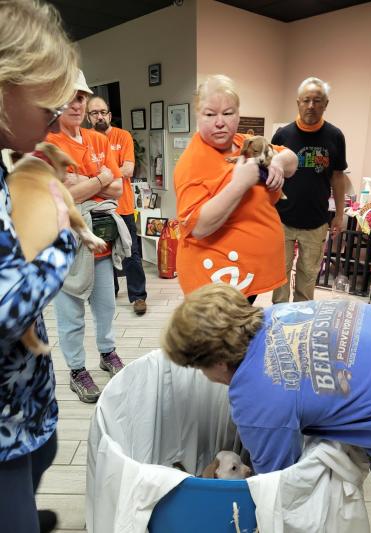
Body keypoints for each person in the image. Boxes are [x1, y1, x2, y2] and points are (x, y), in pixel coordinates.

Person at [162, 283, 371, 482]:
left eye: (199, 367)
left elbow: (277, 488)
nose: (204, 376)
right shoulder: (277, 314)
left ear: (219, 361)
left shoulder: (254, 398)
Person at [0, 1, 78, 532]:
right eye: (46, 100)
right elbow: (6, 306)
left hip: (22, 391)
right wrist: (63, 241)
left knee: (44, 451)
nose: (55, 115)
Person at [174, 74, 298, 302]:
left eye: (228, 113)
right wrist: (239, 183)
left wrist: (278, 162)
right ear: (198, 117)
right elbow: (198, 227)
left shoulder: (247, 143)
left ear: (238, 114)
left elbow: (292, 160)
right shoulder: (190, 163)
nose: (219, 122)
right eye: (210, 114)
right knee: (221, 336)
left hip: (245, 277)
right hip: (216, 281)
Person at [47, 71, 127, 403]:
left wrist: (82, 181)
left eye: (81, 96)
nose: (76, 103)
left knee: (106, 306)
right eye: (69, 97)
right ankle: (77, 370)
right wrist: (99, 180)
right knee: (70, 314)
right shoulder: (47, 143)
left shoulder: (98, 140)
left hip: (102, 241)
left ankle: (107, 353)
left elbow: (119, 186)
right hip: (65, 242)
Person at [272, 77, 347, 304]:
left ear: (326, 104)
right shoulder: (282, 135)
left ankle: (302, 322)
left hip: (316, 221)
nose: (311, 106)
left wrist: (340, 215)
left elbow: (337, 176)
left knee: (308, 279)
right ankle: (279, 320)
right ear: (298, 103)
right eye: (306, 100)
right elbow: (269, 176)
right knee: (279, 277)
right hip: (282, 219)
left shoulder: (335, 136)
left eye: (317, 101)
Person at [86, 96, 147, 315]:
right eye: (94, 113)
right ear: (89, 117)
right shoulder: (85, 139)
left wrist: (98, 177)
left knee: (132, 254)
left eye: (103, 112)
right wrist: (109, 175)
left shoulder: (123, 136)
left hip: (123, 206)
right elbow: (83, 174)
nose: (99, 116)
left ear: (109, 115)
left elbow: (129, 170)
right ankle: (109, 291)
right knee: (102, 254)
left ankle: (138, 296)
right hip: (98, 208)